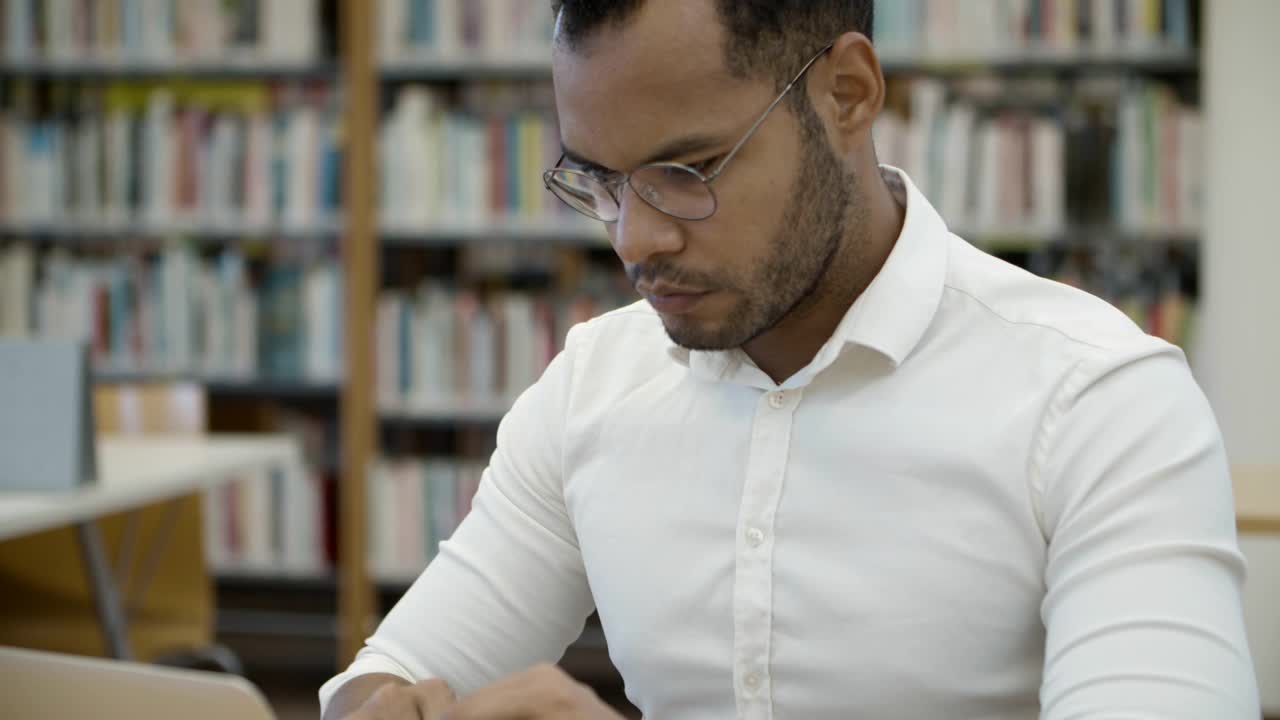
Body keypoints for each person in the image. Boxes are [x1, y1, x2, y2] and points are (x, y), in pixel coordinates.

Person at [322, 1, 1260, 718]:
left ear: (847, 92)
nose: (634, 239)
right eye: (598, 181)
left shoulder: (1098, 401)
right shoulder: (590, 388)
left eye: (687, 171)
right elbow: (396, 672)